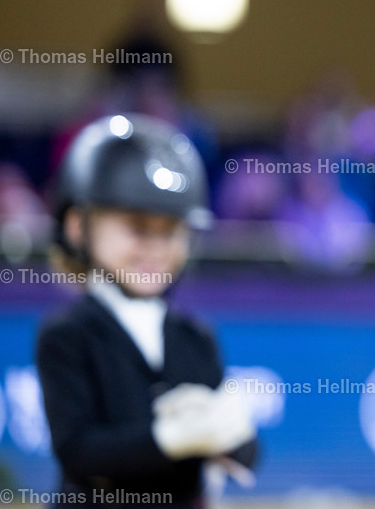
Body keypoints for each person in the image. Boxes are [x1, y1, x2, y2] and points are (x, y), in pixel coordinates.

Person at [37, 113, 257, 507]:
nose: (156, 247)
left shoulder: (195, 337)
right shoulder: (67, 335)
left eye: (171, 230)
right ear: (77, 226)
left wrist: (232, 432)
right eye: (138, 227)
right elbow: (77, 450)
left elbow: (247, 457)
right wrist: (168, 438)